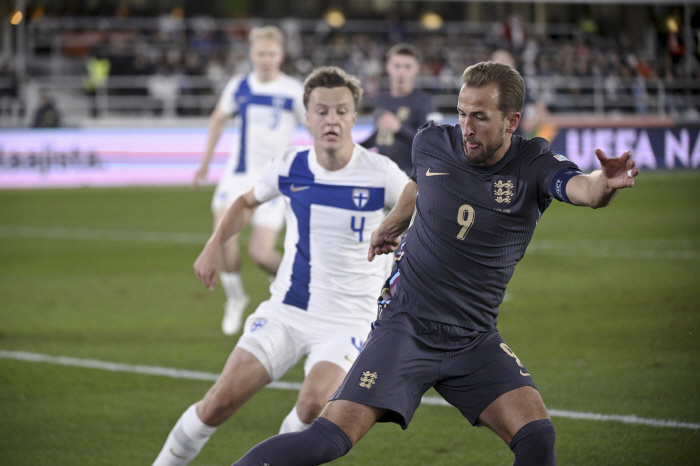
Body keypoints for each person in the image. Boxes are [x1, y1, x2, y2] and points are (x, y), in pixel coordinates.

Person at [230, 61, 640, 466]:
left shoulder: (534, 164)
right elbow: (419, 181)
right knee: (326, 441)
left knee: (537, 437)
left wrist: (605, 183)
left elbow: (583, 189)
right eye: (462, 113)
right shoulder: (432, 142)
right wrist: (394, 221)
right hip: (406, 326)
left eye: (480, 117)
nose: (466, 127)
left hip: (474, 336)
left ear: (512, 120)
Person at [152, 66, 409, 466]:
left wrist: (399, 227)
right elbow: (244, 203)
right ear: (306, 117)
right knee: (219, 401)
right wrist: (213, 243)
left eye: (341, 111)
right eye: (321, 111)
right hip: (289, 308)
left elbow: (422, 203)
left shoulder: (381, 174)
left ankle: (277, 456)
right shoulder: (290, 166)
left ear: (354, 117)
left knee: (311, 408)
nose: (331, 120)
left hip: (350, 319)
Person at [191, 26, 306, 335]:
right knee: (223, 237)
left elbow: (315, 128)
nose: (266, 59)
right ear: (252, 55)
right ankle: (236, 298)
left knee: (261, 254)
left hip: (274, 181)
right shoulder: (239, 86)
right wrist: (204, 164)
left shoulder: (294, 91)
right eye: (260, 53)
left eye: (271, 53)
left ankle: (297, 288)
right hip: (238, 176)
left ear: (280, 55)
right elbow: (218, 119)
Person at [360, 43, 442, 176]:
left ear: (417, 69)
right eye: (397, 66)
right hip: (381, 173)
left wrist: (400, 128)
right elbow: (379, 136)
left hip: (409, 176)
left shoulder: (424, 101)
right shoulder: (381, 98)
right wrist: (354, 146)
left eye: (407, 66)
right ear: (388, 67)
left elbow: (434, 143)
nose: (401, 71)